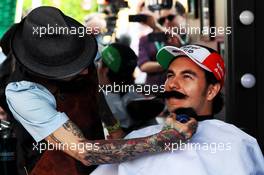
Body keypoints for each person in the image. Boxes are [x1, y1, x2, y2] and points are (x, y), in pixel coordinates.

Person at [0, 6, 197, 175]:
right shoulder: (23, 93)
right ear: (49, 70)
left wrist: (113, 128)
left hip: (97, 166)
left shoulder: (77, 48)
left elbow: (94, 92)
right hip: (51, 166)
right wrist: (166, 138)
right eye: (75, 68)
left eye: (85, 62)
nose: (87, 70)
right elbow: (86, 152)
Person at [92, 44, 264, 175]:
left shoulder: (239, 144)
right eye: (170, 75)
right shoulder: (137, 140)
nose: (172, 84)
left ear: (211, 90)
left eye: (187, 76)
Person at [96, 43, 157, 134]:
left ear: (105, 71)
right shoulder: (138, 97)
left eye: (99, 63)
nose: (96, 67)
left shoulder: (102, 102)